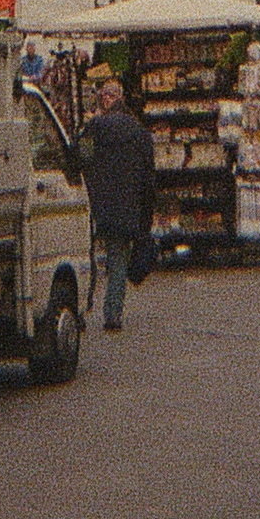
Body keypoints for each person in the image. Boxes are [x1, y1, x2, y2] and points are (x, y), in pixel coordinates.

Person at [78, 79, 156, 331]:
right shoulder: (138, 131)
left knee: (86, 257)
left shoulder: (94, 128)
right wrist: (145, 215)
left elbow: (80, 158)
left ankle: (81, 309)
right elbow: (148, 176)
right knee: (118, 258)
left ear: (106, 99)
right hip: (126, 205)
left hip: (97, 203)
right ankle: (113, 312)